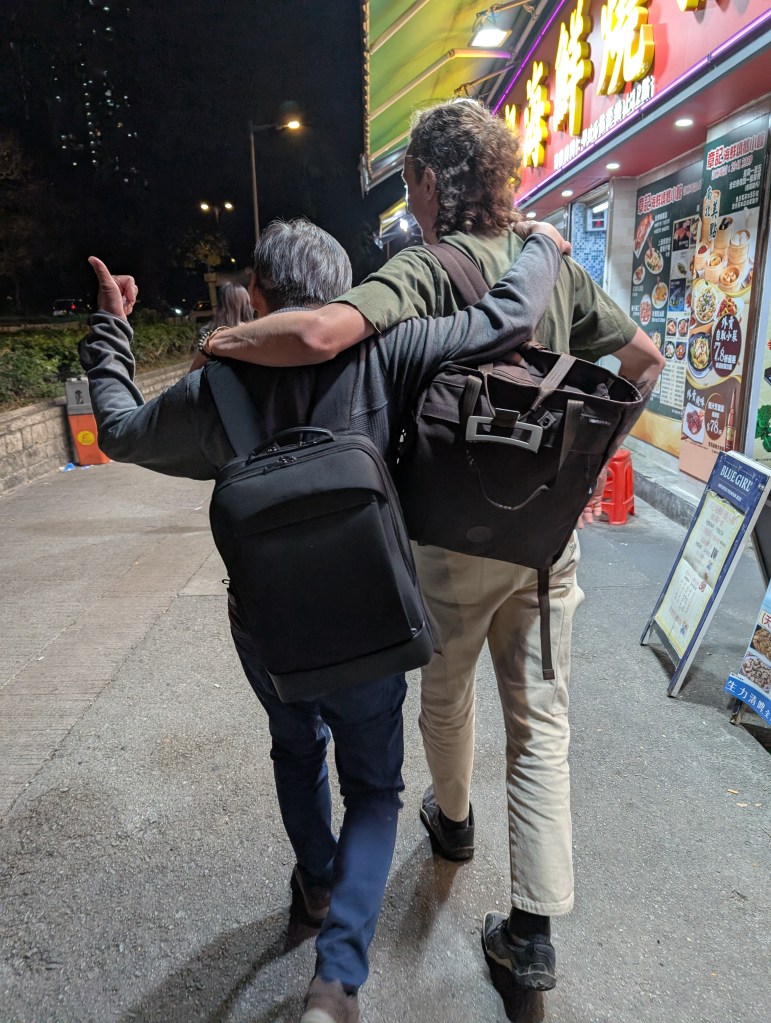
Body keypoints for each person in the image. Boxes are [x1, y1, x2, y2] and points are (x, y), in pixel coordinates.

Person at [201, 100, 665, 993]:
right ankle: (530, 932)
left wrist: (223, 340)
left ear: (424, 180)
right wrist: (582, 469)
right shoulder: (554, 268)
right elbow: (641, 359)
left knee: (445, 700)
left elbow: (322, 332)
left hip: (446, 537)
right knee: (541, 721)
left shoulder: (419, 268)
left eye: (410, 177)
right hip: (542, 539)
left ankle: (451, 824)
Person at [79, 215, 568, 1023]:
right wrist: (543, 245)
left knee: (295, 743)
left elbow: (120, 431)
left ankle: (314, 884)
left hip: (269, 626)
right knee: (373, 788)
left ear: (257, 293)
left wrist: (111, 326)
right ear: (343, 293)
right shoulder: (386, 349)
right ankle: (335, 983)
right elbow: (506, 319)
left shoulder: (217, 382)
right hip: (371, 617)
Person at [193, 282, 253, 360]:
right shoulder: (251, 332)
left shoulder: (207, 331)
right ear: (245, 304)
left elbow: (199, 362)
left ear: (221, 304)